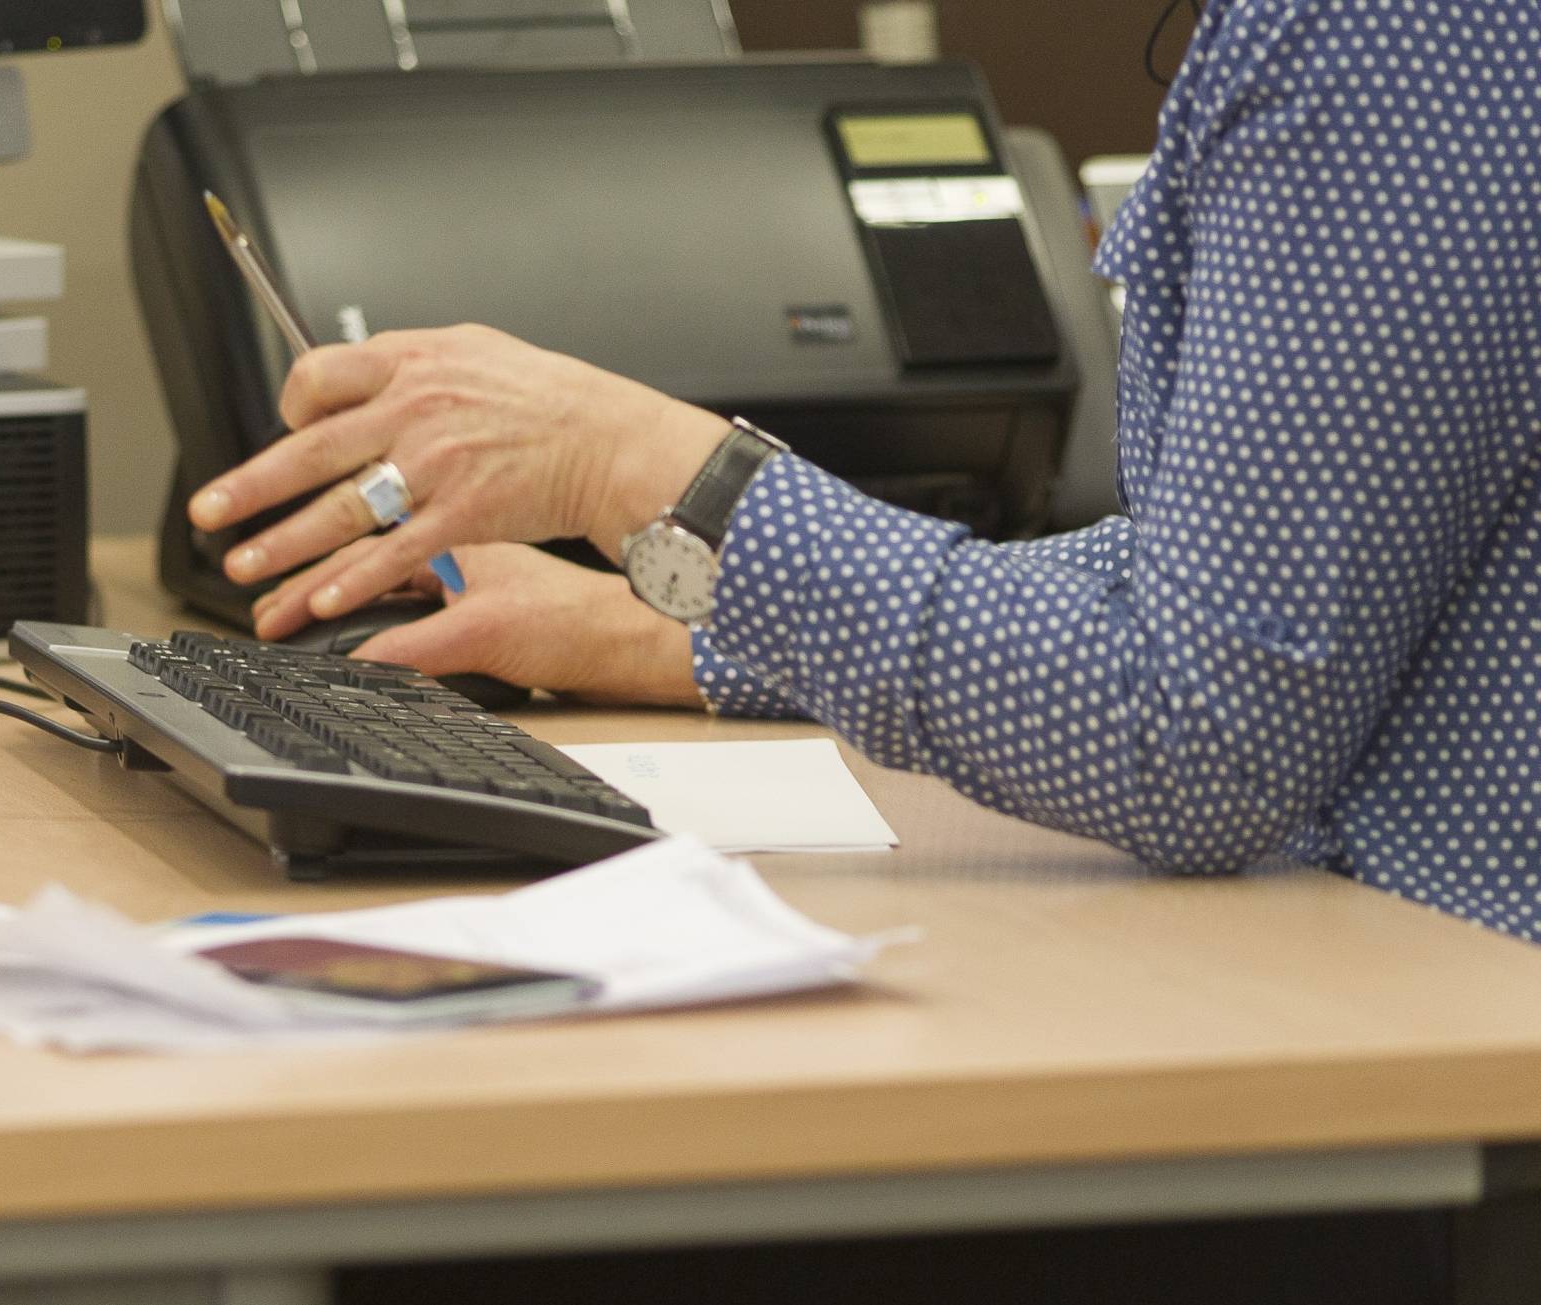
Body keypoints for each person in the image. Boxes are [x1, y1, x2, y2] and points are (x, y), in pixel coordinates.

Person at [186, 0, 1541, 944]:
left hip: (1456, 1053)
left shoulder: (1393, 25)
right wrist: (671, 631)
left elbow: (1197, 736)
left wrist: (646, 469)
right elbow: (1274, 570)